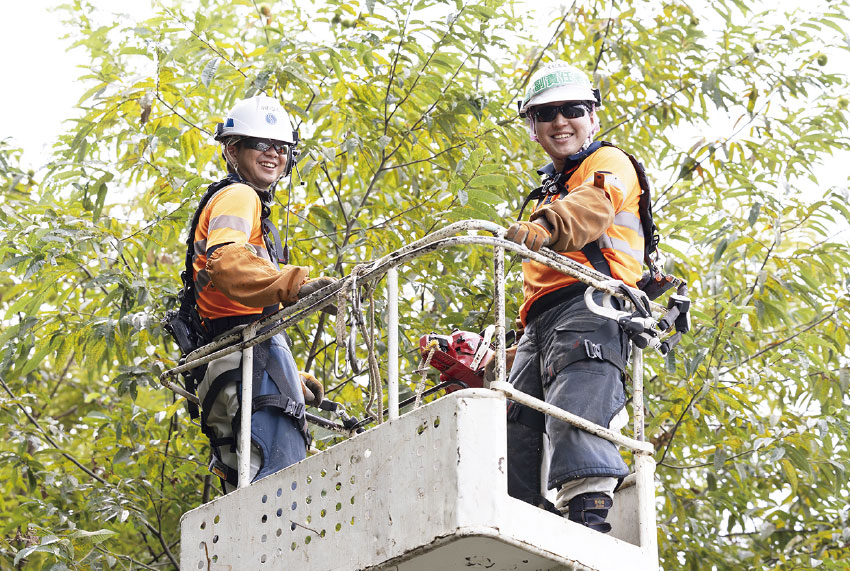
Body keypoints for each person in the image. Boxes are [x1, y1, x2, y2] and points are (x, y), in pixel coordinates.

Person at [499, 61, 646, 532]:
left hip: (589, 308)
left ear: (593, 117)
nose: (560, 121)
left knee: (575, 410)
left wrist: (544, 227)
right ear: (533, 128)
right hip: (539, 325)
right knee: (515, 423)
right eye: (547, 114)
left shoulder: (607, 164)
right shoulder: (550, 188)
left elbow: (593, 209)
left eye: (571, 109)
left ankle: (588, 523)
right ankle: (522, 515)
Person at [188, 94, 333, 492]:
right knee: (280, 488)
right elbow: (228, 263)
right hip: (246, 355)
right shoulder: (240, 196)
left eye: (281, 148)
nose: (273, 155)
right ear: (233, 150)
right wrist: (297, 285)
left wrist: (291, 377)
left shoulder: (241, 203)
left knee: (250, 485)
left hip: (233, 360)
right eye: (261, 144)